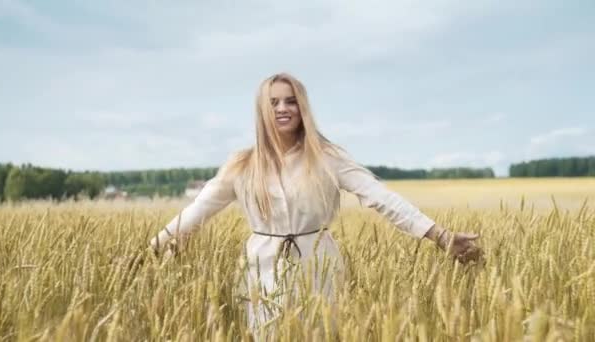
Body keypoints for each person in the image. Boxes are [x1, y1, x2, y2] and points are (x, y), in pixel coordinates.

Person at [148, 72, 483, 338]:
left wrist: (440, 236)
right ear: (262, 110)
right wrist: (152, 248)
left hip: (318, 266)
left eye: (291, 101)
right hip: (260, 270)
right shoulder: (241, 165)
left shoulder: (327, 158)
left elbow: (382, 198)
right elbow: (197, 210)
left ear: (302, 108)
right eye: (274, 102)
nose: (282, 109)